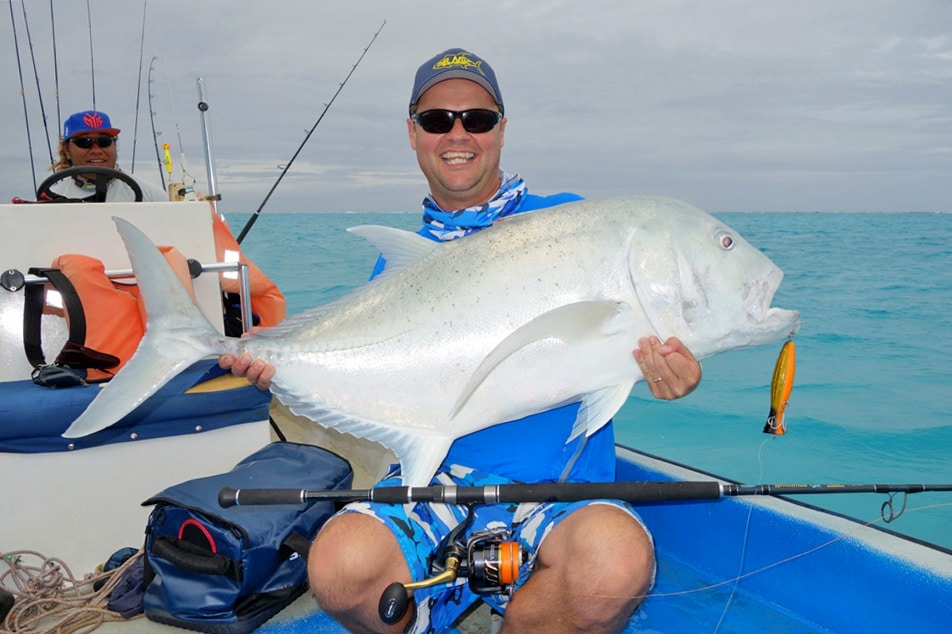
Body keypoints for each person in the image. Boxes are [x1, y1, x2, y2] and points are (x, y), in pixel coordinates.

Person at [221, 49, 702, 633]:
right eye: (436, 119)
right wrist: (285, 364)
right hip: (435, 483)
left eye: (477, 118)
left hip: (557, 490)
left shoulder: (571, 227)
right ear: (413, 132)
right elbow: (384, 383)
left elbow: (623, 342)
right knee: (339, 567)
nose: (458, 134)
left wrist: (669, 372)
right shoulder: (398, 267)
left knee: (614, 560)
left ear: (501, 128)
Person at [46, 110, 169, 202]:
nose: (96, 150)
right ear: (67, 150)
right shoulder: (49, 201)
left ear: (114, 145)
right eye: (85, 142)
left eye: (104, 141)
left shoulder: (153, 196)